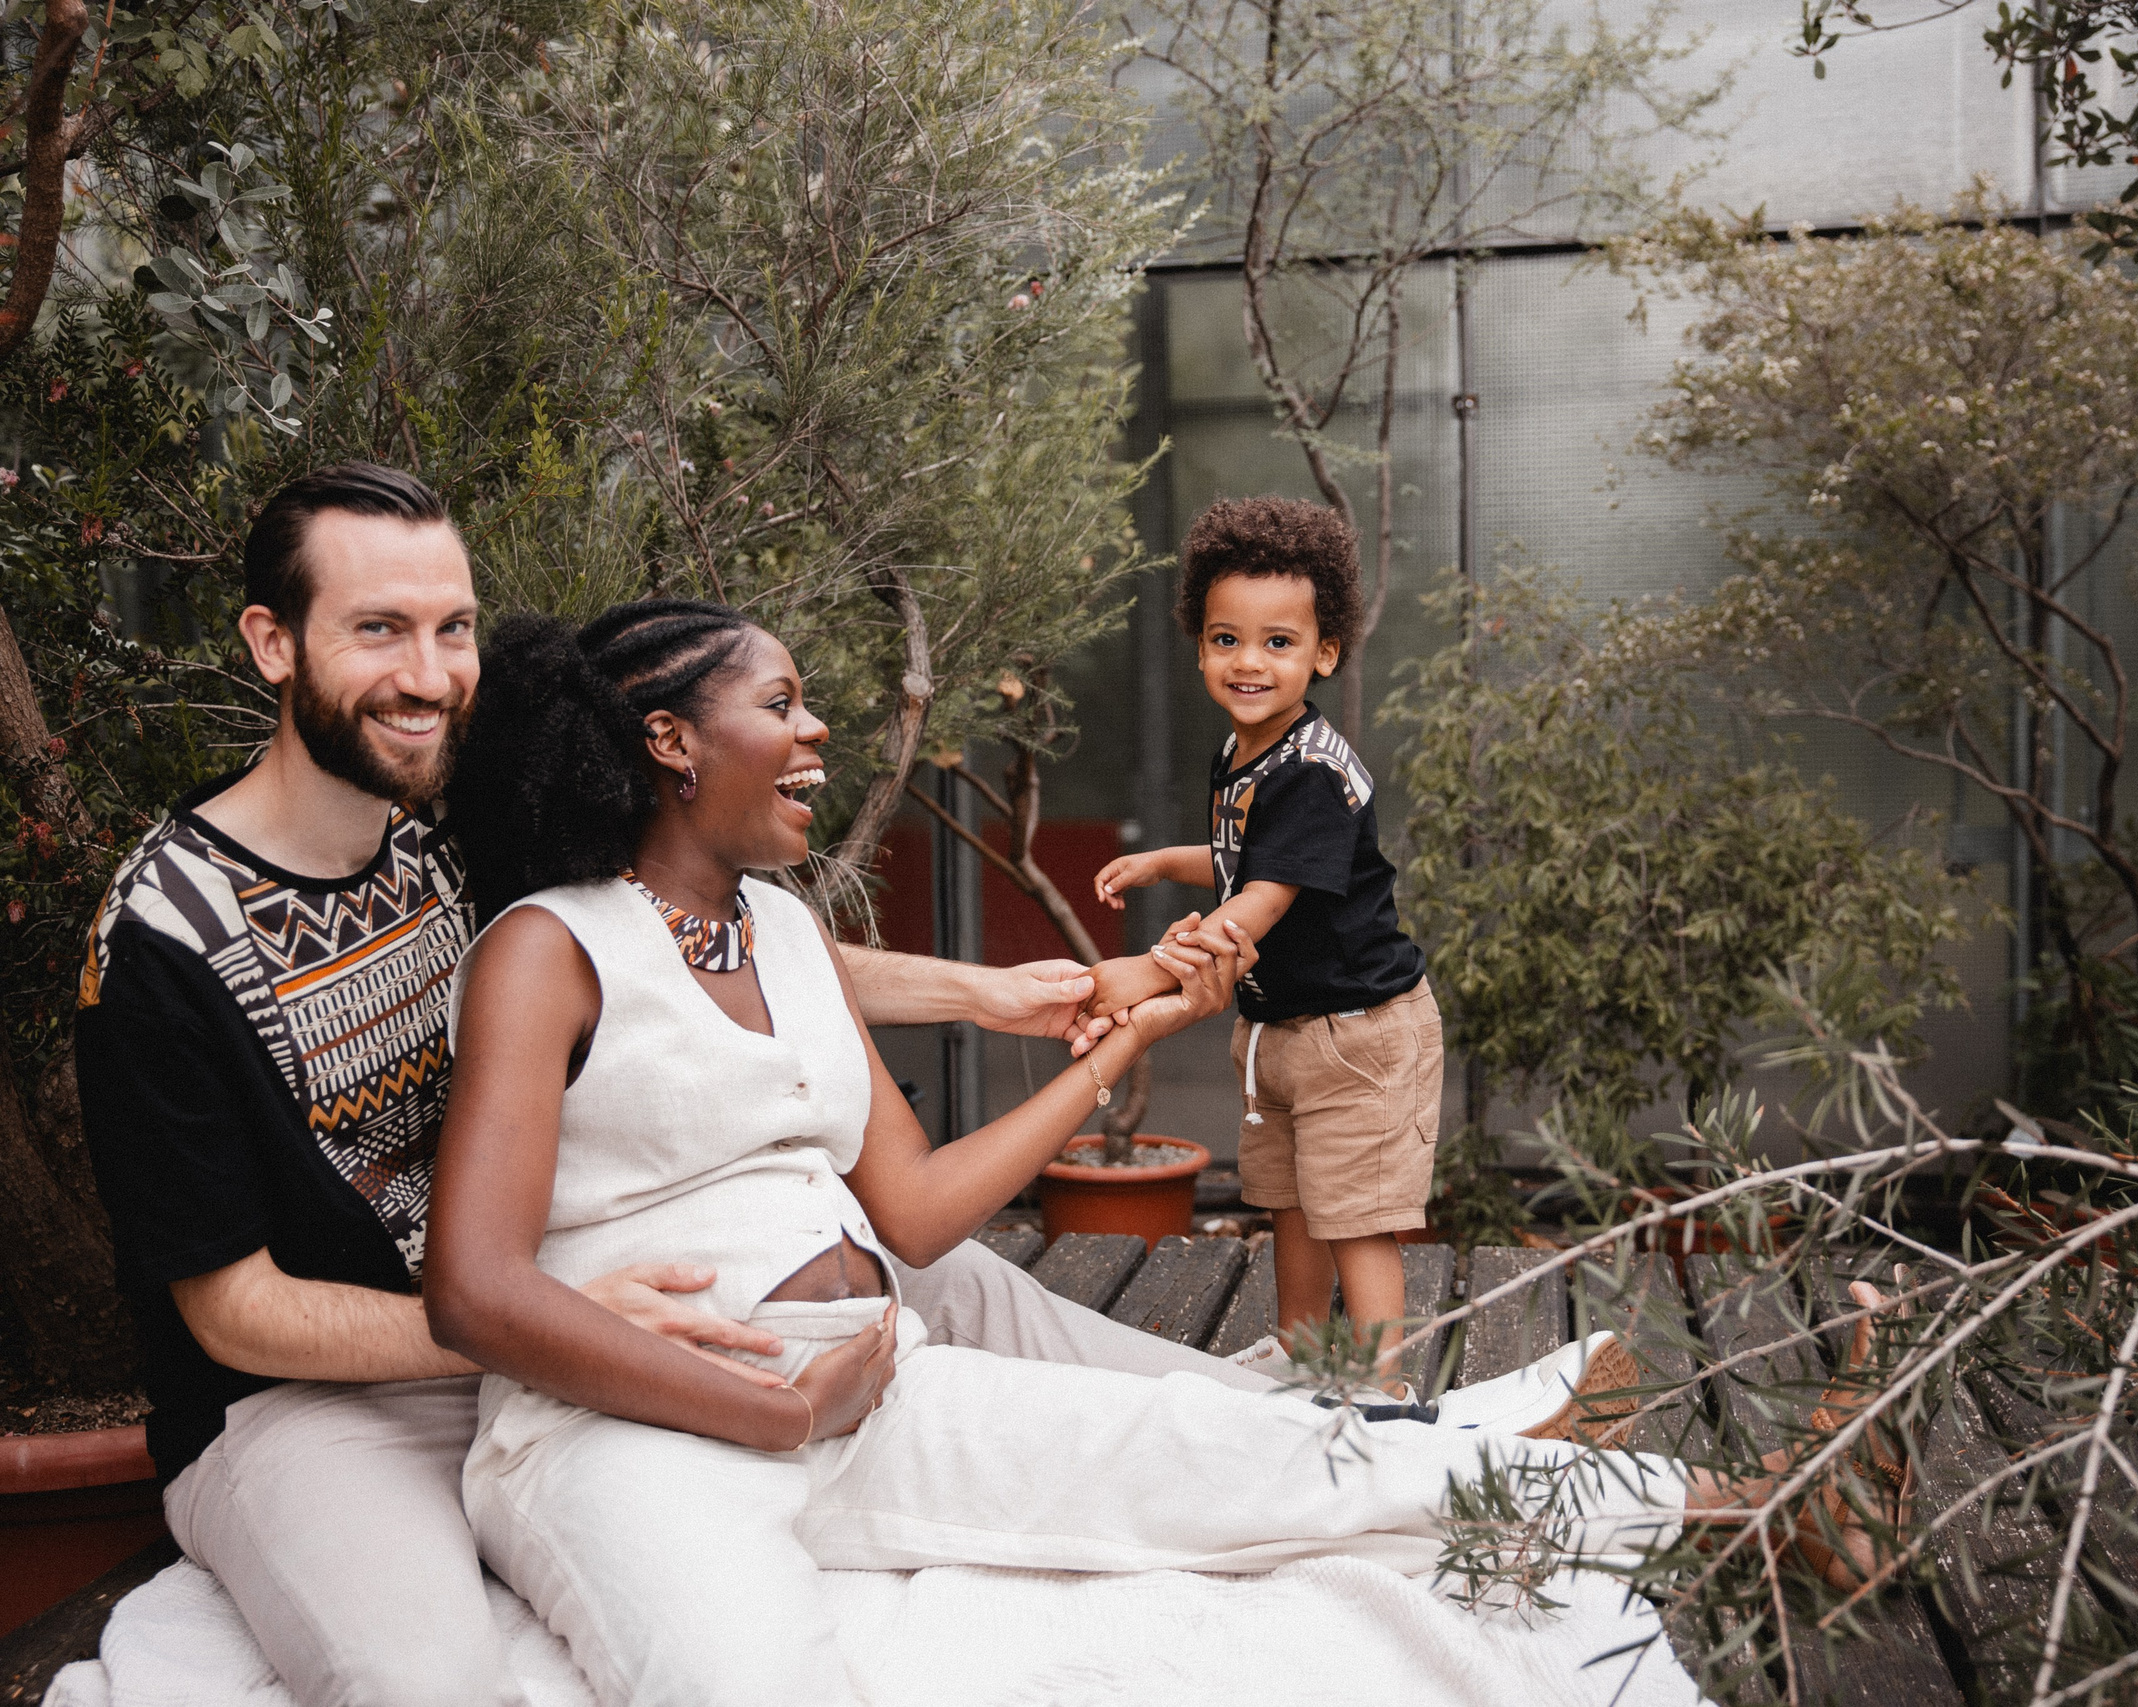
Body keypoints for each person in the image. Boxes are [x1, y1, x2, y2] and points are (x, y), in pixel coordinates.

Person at [422, 599, 1913, 1707]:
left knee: (1250, 1457)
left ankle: (1758, 1511)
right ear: (670, 737)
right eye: (785, 702)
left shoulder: (791, 933)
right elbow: (475, 1288)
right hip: (627, 1435)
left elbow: (923, 1210)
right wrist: (758, 1409)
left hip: (868, 1378)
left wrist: (1125, 1045)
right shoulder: (549, 950)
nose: (819, 733)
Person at [70, 464, 1306, 1707]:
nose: (432, 675)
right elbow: (235, 1315)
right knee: (421, 1682)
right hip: (313, 1402)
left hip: (538, 1310)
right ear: (272, 644)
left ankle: (1321, 1431)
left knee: (946, 1268)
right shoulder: (164, 941)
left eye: (452, 629)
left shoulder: (442, 837)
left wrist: (986, 994)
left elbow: (669, 950)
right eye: (377, 630)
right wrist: (562, 1327)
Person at [1088, 495, 1442, 1393]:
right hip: (1285, 1031)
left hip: (1357, 1036)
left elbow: (1262, 901)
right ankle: (1302, 1354)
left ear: (1324, 652)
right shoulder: (1248, 749)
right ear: (1201, 642)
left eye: (1278, 642)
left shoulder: (1312, 774)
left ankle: (1382, 1391)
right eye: (1226, 639)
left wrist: (1151, 966)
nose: (1249, 662)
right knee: (1288, 1202)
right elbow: (1242, 858)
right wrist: (1164, 863)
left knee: (1356, 1216)